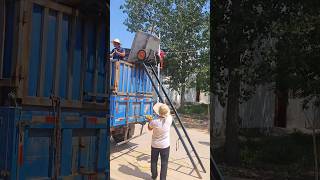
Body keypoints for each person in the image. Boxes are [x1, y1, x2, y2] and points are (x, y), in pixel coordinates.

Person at [147, 103, 173, 180]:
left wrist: (149, 121)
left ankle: (154, 176)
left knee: (154, 161)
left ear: (159, 112)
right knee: (164, 163)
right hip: (165, 146)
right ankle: (162, 178)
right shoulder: (169, 119)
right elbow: (168, 115)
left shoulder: (154, 122)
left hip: (155, 145)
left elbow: (149, 128)